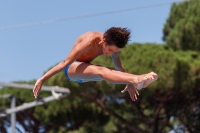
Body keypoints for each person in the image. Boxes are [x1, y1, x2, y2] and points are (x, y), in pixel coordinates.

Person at [33, 27, 158, 101]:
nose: (110, 54)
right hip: (71, 68)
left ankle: (136, 80)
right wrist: (43, 79)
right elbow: (66, 62)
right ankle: (137, 79)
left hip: (85, 71)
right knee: (101, 70)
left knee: (107, 71)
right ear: (104, 40)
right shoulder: (89, 41)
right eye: (109, 50)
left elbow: (118, 67)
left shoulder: (112, 46)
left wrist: (128, 81)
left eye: (114, 52)